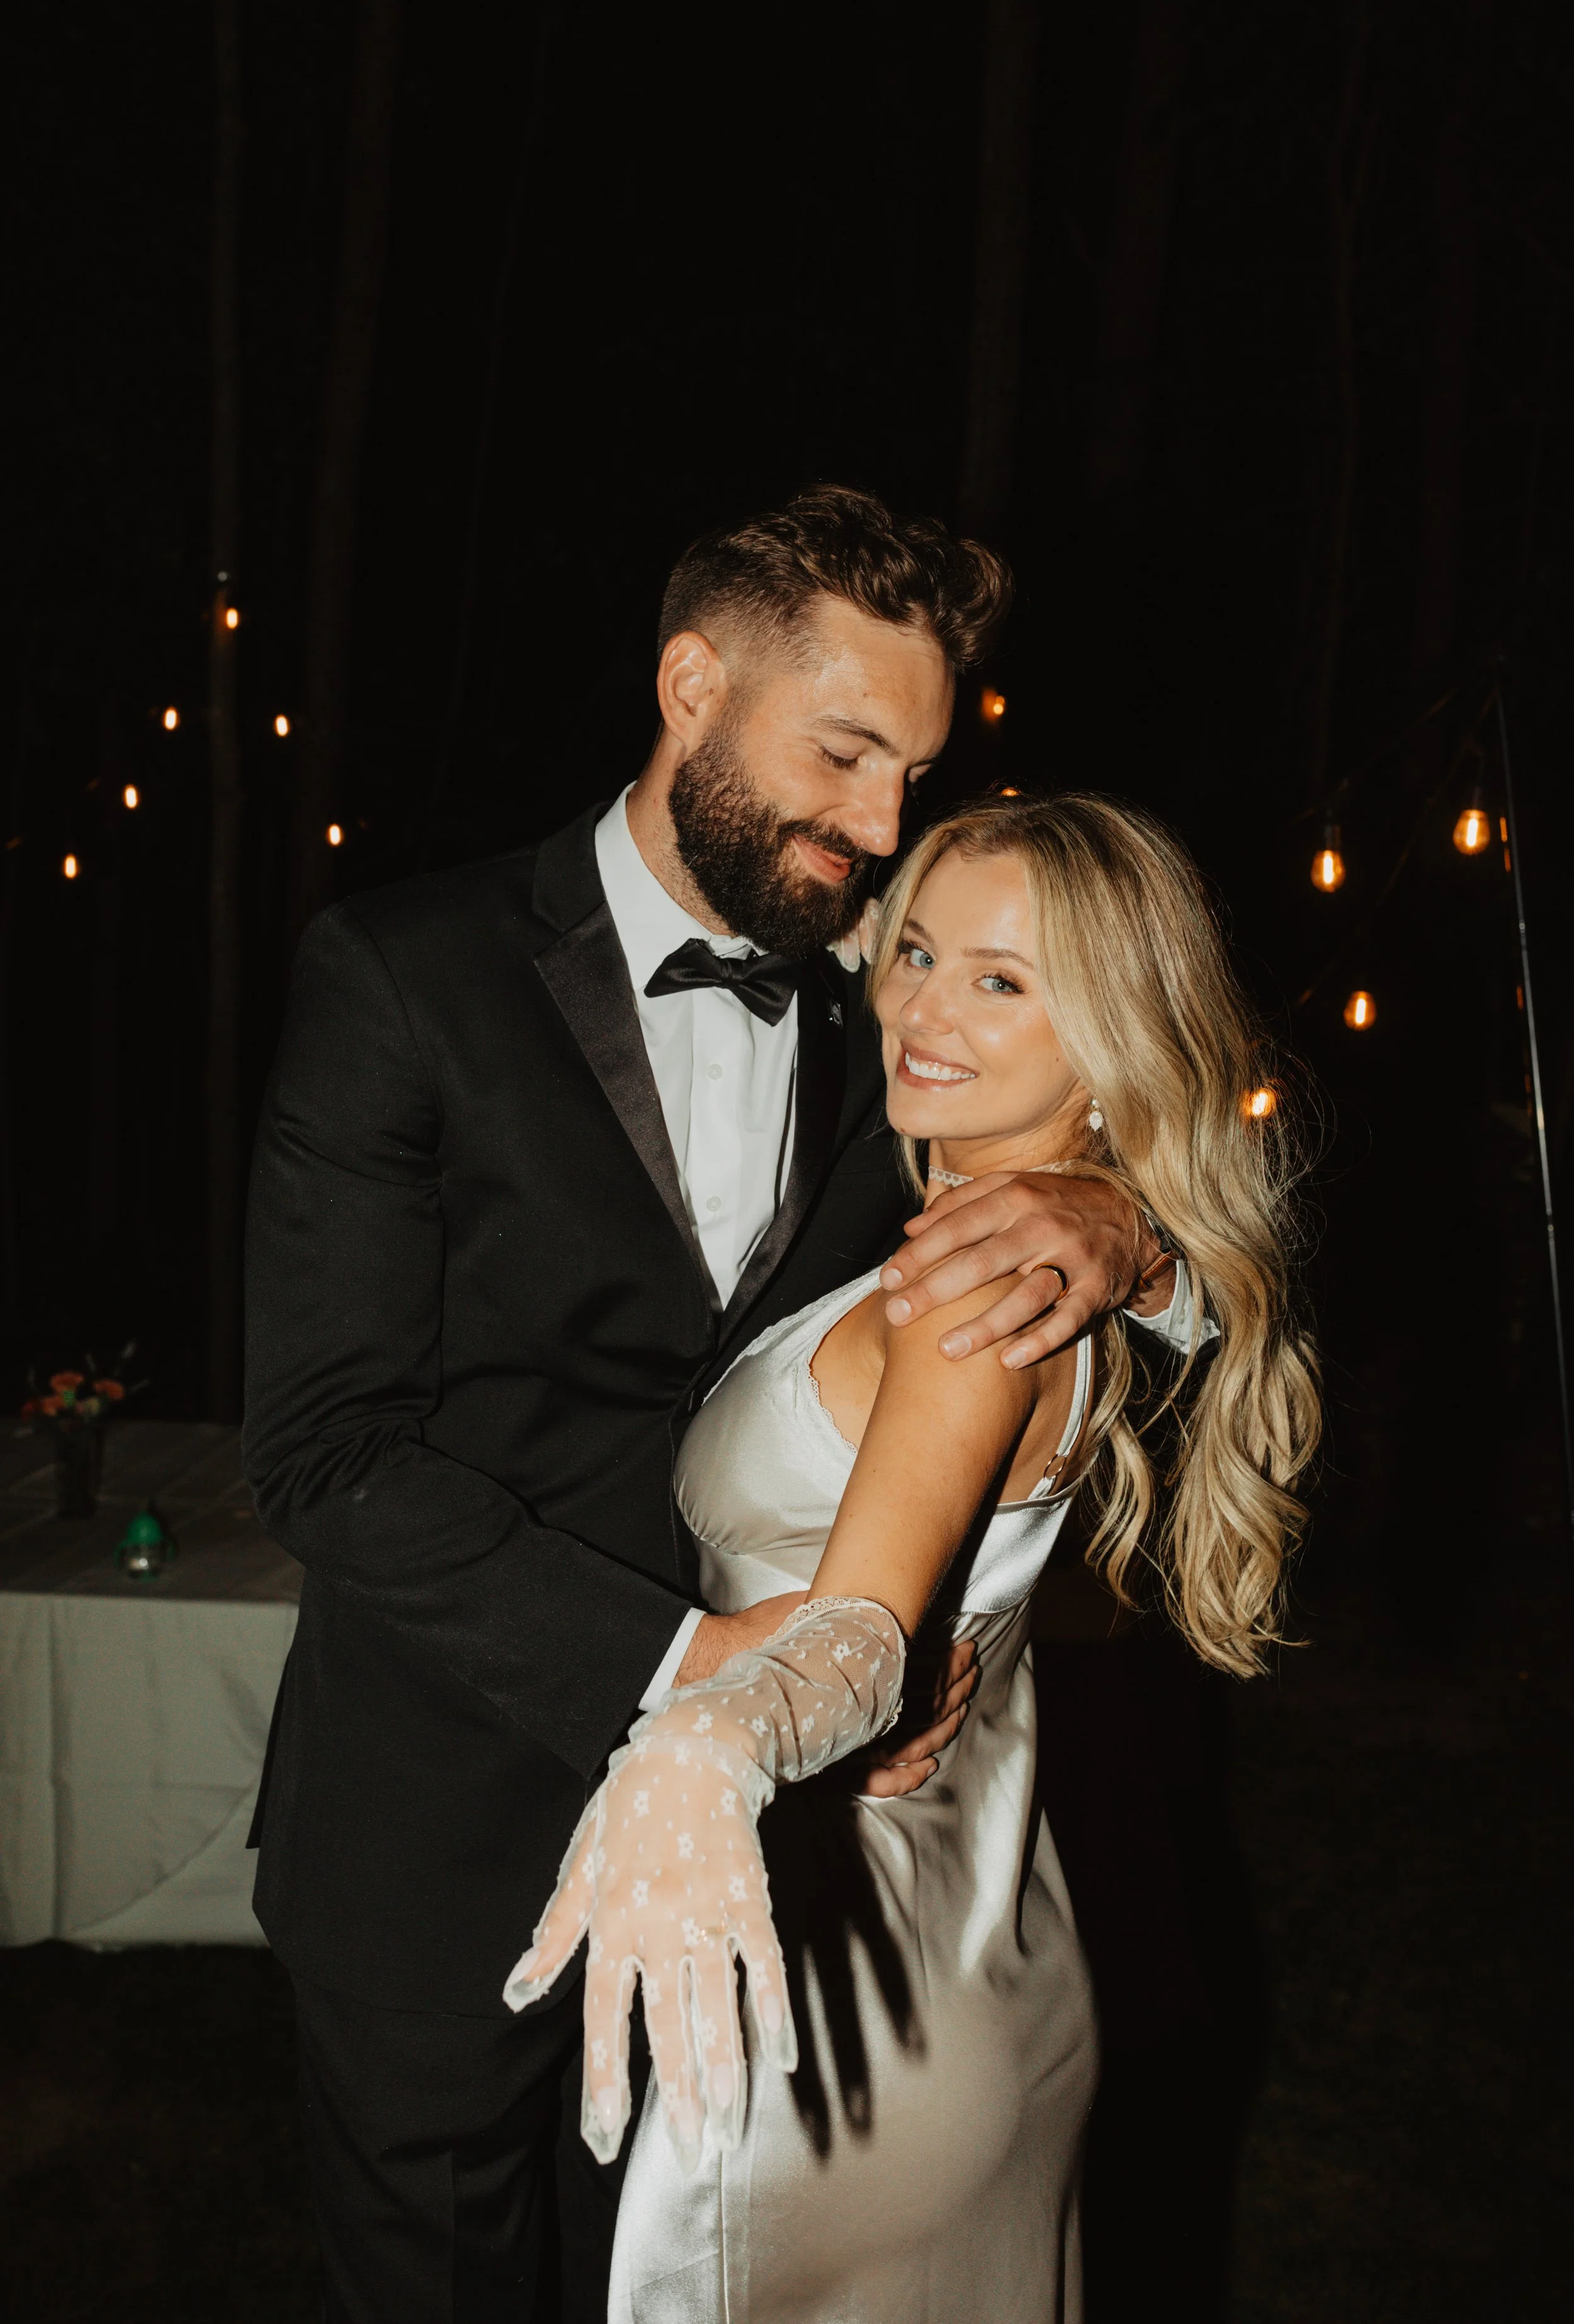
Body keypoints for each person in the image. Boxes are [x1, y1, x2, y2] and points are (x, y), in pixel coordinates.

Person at [242, 488, 1182, 2323]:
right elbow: (323, 1449)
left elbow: (1167, 1061)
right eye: (844, 752)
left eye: (911, 769)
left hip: (778, 1883)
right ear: (691, 684)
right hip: (434, 1830)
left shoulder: (888, 1012)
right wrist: (716, 1668)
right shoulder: (402, 973)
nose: (882, 824)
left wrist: (1128, 1221)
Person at [512, 791, 1320, 2323]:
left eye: (1001, 980)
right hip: (976, 1943)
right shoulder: (990, 1237)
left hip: (833, 1992)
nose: (924, 1012)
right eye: (919, 954)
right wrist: (1129, 1212)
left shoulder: (980, 1293)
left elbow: (856, 1639)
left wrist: (700, 1749)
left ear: (1111, 1031)